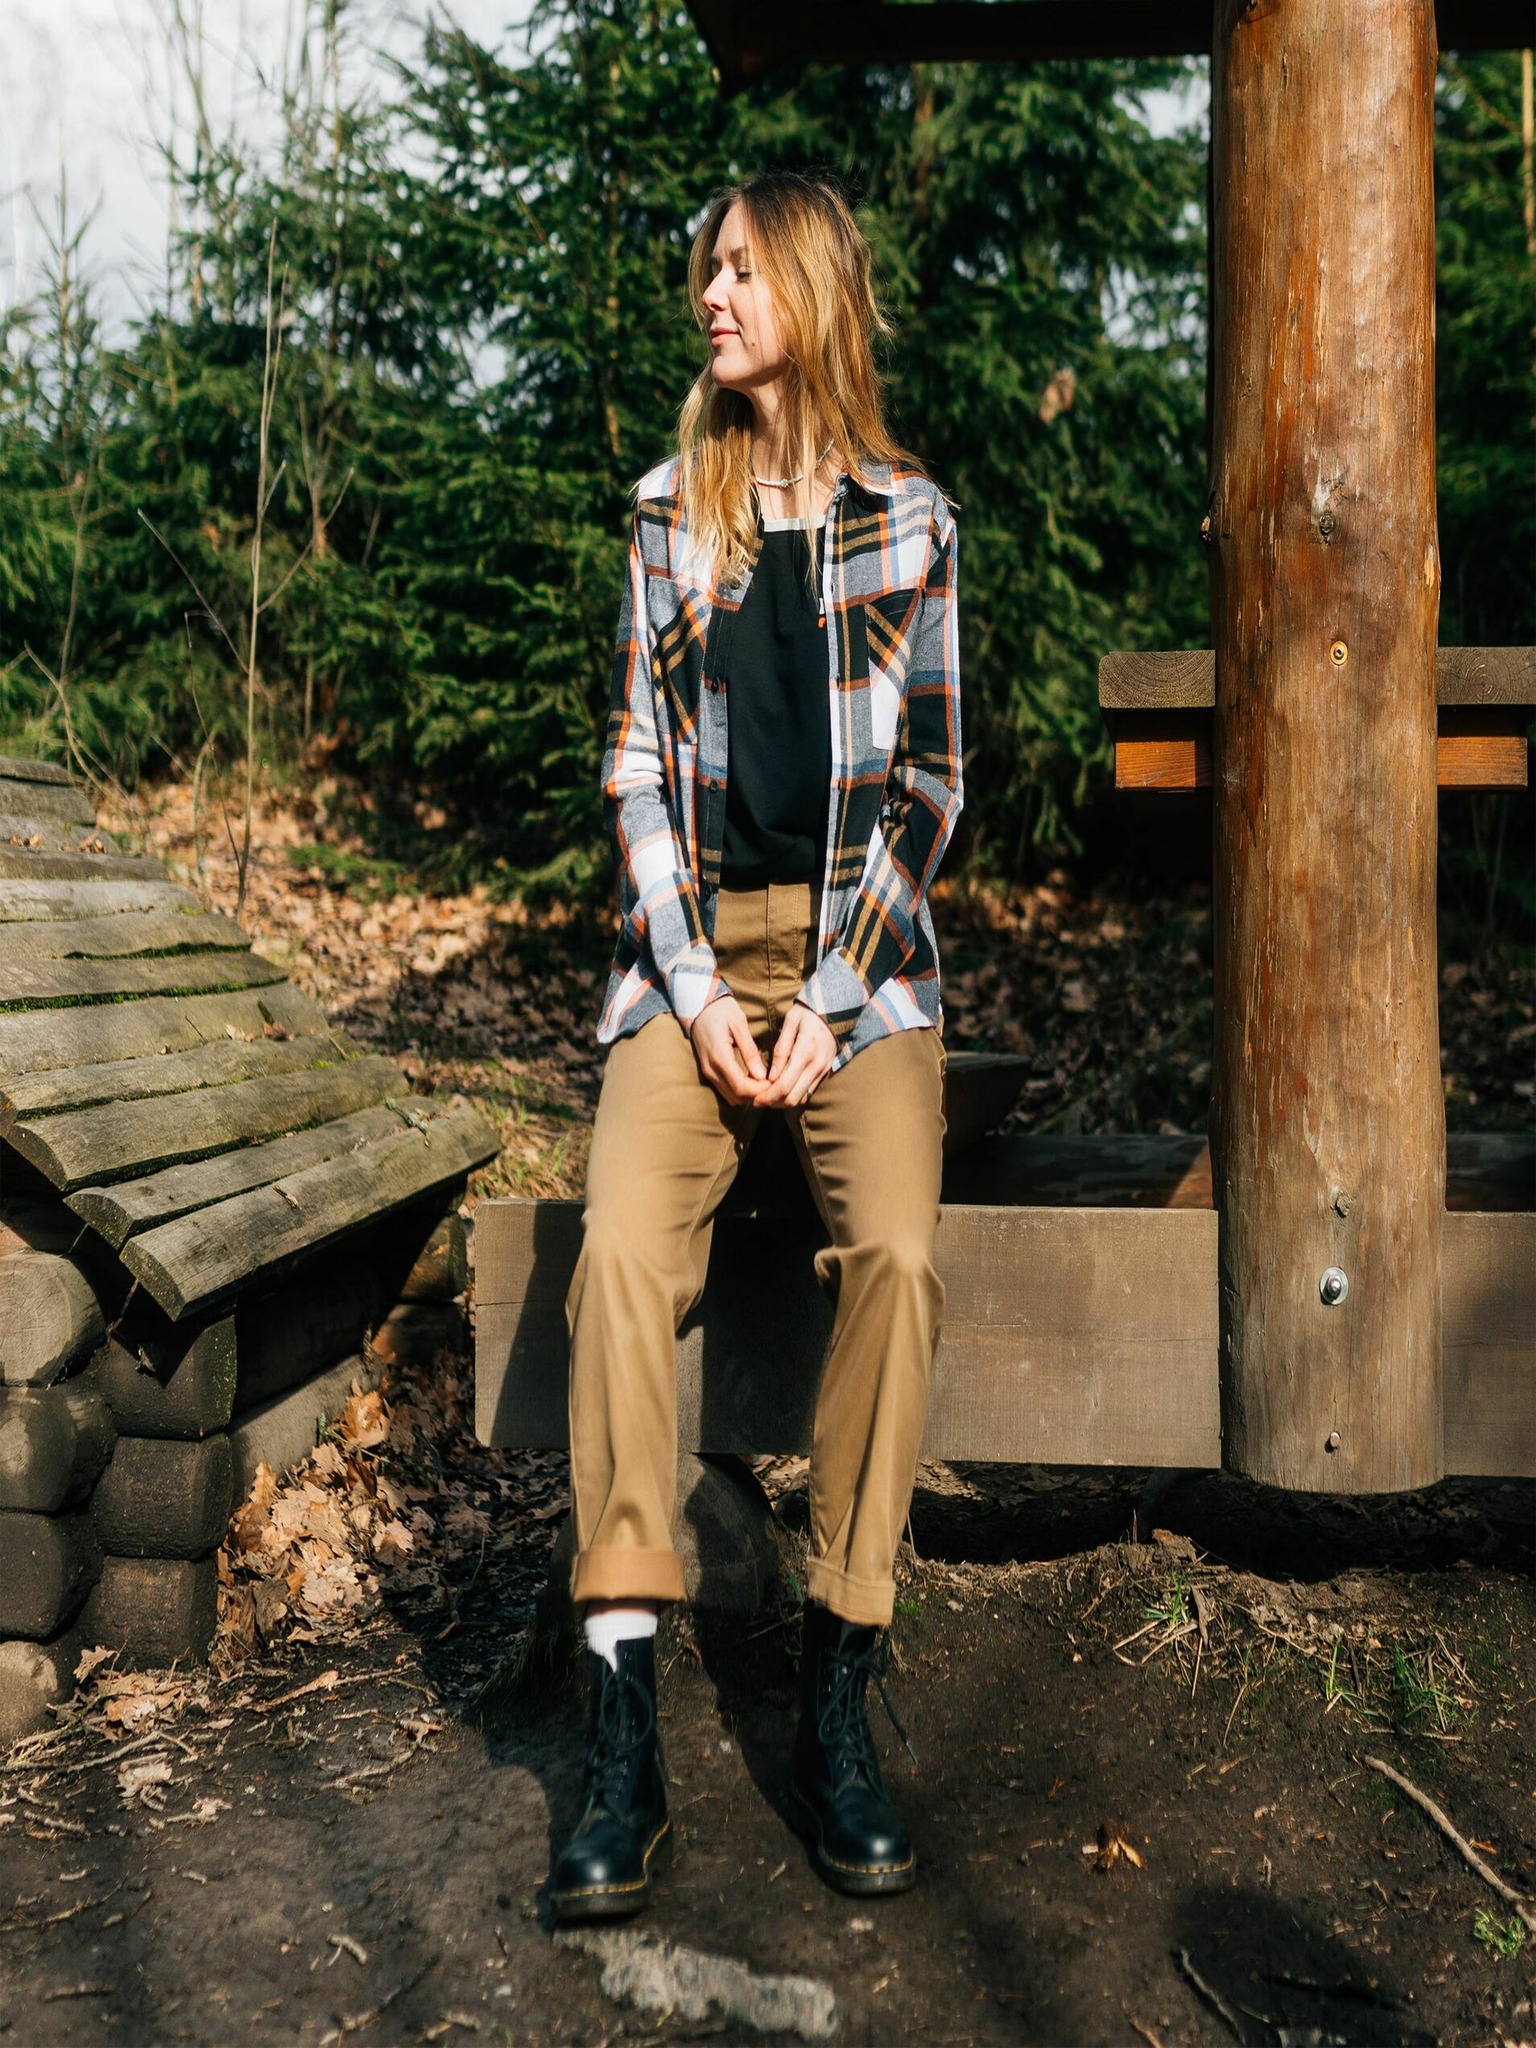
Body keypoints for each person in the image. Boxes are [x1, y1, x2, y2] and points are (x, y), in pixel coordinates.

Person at [548, 169, 962, 1924]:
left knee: (898, 1259)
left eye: (739, 269)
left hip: (862, 967)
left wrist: (830, 1005)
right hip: (693, 963)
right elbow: (638, 769)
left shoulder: (911, 520)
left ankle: (839, 1682)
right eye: (706, 269)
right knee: (618, 1257)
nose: (710, 295)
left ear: (812, 289)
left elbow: (928, 785)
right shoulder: (669, 515)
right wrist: (702, 990)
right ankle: (622, 1723)